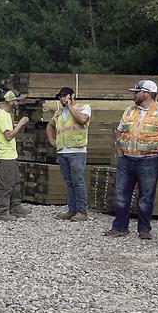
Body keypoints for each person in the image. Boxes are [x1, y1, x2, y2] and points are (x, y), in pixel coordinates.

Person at [105, 80, 158, 240]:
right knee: (121, 195)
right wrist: (119, 150)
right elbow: (119, 131)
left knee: (146, 197)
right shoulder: (129, 110)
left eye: (137, 92)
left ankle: (144, 229)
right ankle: (119, 227)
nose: (134, 95)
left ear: (147, 93)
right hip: (126, 160)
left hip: (150, 160)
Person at [46, 87, 91, 221]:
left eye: (65, 96)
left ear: (73, 96)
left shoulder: (84, 107)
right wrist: (52, 141)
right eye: (60, 97)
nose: (62, 99)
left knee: (78, 181)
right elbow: (50, 126)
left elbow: (82, 120)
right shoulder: (59, 113)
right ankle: (72, 210)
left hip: (77, 151)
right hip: (62, 151)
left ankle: (82, 211)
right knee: (69, 182)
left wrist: (70, 106)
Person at [0, 91, 30, 221]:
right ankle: (1, 212)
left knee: (15, 182)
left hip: (10, 155)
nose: (18, 103)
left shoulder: (6, 114)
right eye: (16, 101)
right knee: (6, 185)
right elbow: (8, 136)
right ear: (11, 101)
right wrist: (20, 124)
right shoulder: (2, 115)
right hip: (5, 156)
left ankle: (15, 207)